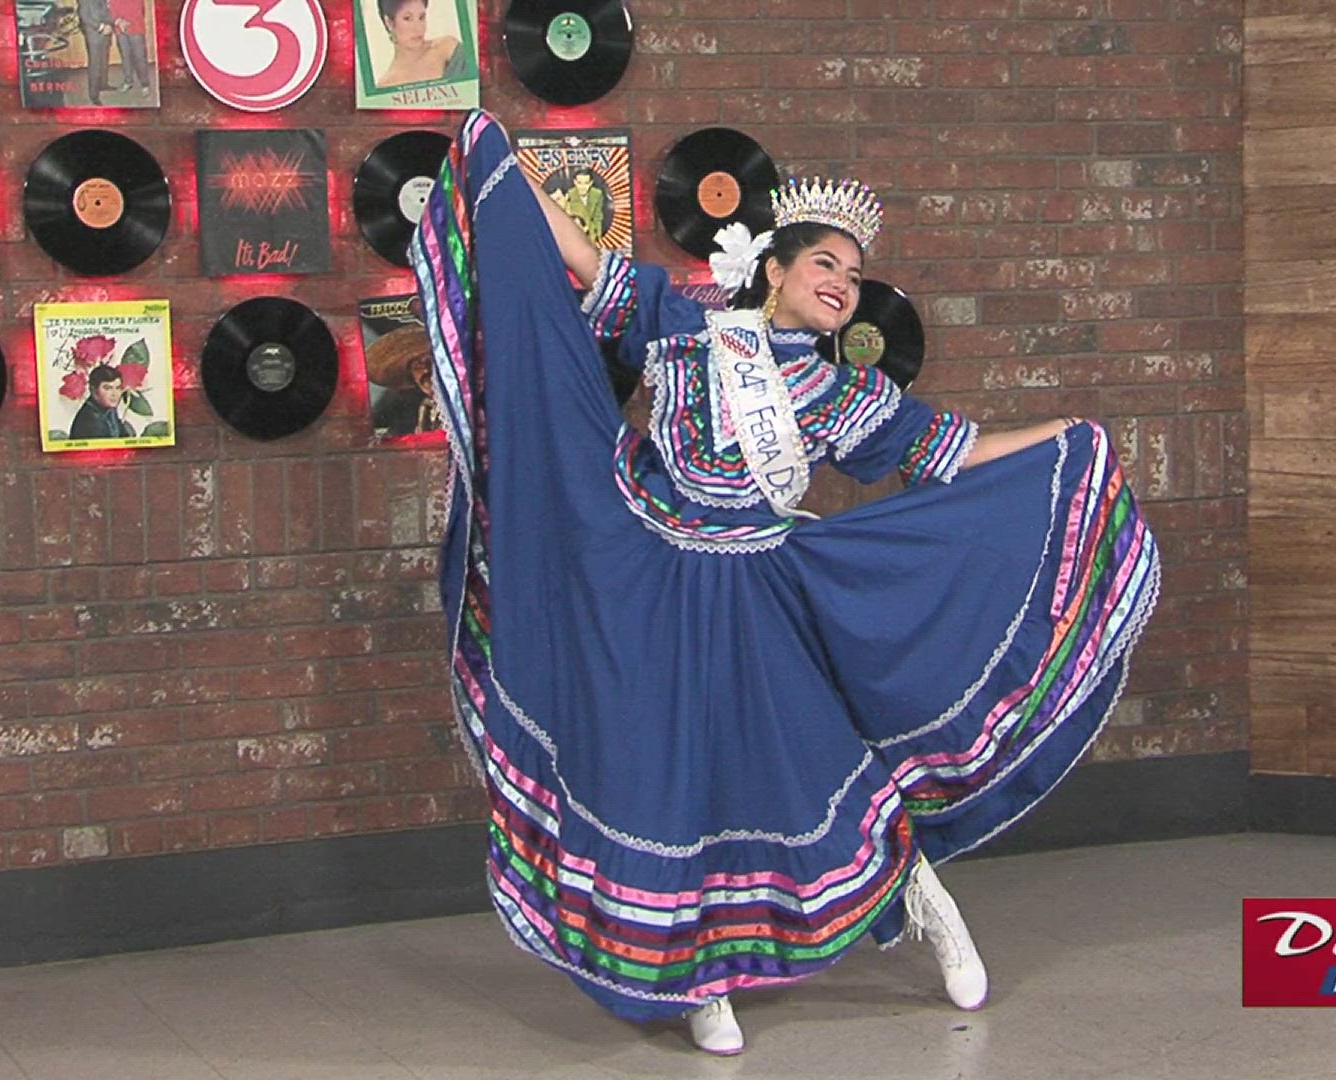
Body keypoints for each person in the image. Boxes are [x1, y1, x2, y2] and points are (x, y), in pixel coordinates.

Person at [406, 111, 1160, 1056]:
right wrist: (507, 169)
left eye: (853, 277)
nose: (842, 287)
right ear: (774, 270)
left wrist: (1068, 440)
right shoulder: (686, 324)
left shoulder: (844, 390)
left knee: (825, 762)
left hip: (770, 589)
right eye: (824, 268)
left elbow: (950, 454)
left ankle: (926, 908)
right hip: (662, 580)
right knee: (675, 773)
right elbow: (589, 265)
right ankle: (699, 977)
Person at [372, 0, 465, 87]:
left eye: (421, 17)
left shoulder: (447, 48)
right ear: (389, 23)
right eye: (408, 18)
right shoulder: (386, 84)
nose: (418, 28)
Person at [68, 364, 135, 439]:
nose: (114, 394)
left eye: (118, 388)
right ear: (93, 390)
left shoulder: (109, 408)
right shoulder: (90, 419)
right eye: (108, 388)